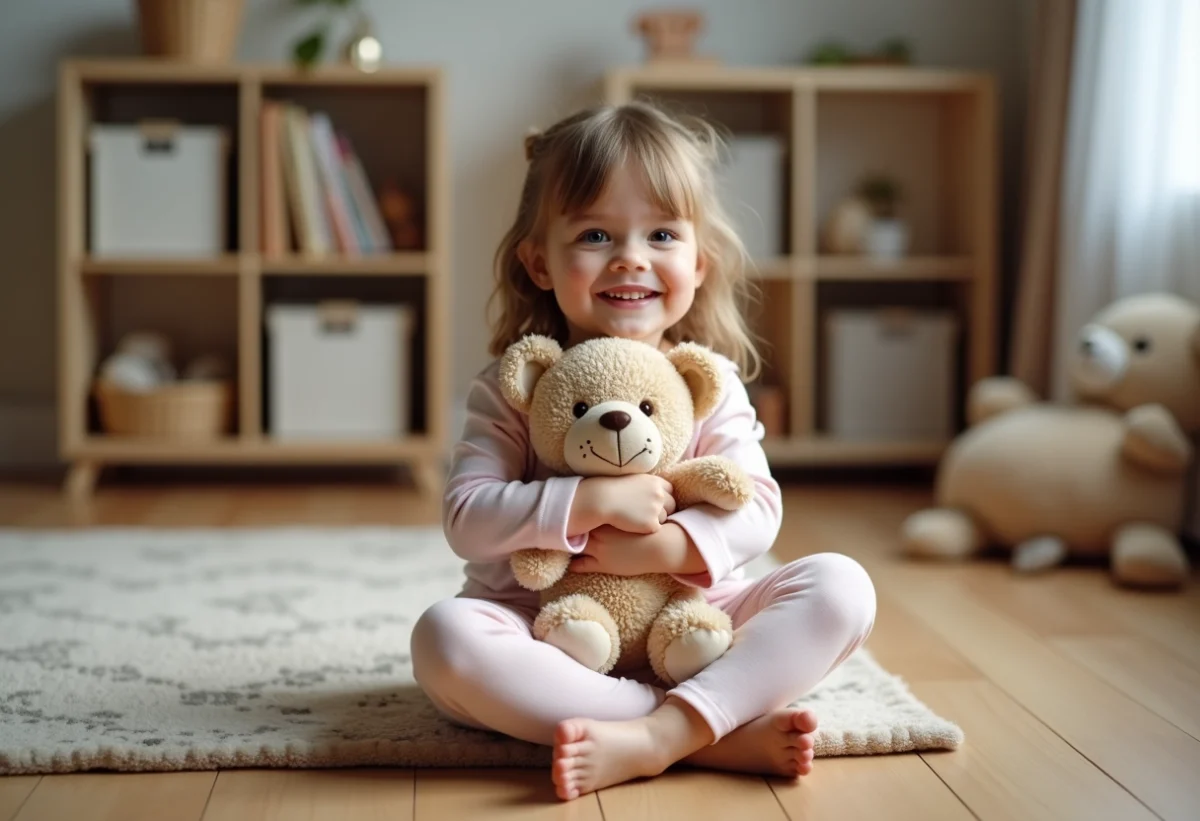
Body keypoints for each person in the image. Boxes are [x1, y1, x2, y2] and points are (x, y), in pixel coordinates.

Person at [411, 100, 876, 801]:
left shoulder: (706, 383)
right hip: (552, 634)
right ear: (539, 261)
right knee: (444, 637)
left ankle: (662, 735)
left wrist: (660, 549)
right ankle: (706, 729)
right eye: (596, 234)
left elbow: (758, 508)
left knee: (844, 587)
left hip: (695, 628)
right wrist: (584, 501)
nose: (632, 257)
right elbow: (467, 516)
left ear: (698, 261)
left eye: (661, 233)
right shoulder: (512, 386)